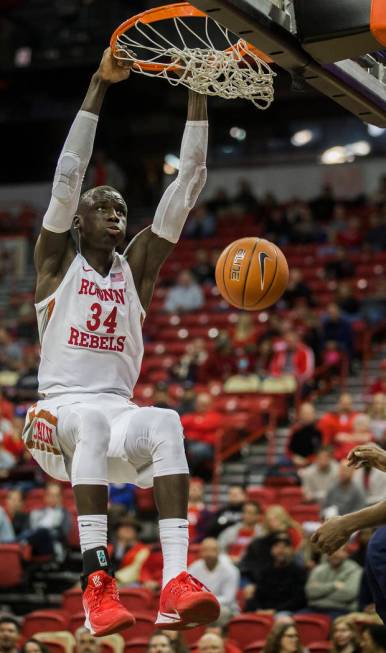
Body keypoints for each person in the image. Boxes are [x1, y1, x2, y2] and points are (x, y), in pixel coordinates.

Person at [21, 48, 219, 636]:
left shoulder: (138, 269)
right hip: (54, 417)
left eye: (120, 207)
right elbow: (66, 177)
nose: (113, 212)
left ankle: (174, 585)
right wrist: (98, 86)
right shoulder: (56, 263)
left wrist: (198, 87)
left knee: (164, 421)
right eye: (100, 206)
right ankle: (97, 583)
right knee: (95, 423)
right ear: (78, 222)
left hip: (110, 419)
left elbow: (191, 181)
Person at [245, 532, 307, 613]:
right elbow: (258, 596)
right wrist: (259, 609)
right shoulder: (265, 571)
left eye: (285, 546)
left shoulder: (298, 572)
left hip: (287, 612)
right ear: (271, 550)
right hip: (263, 612)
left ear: (292, 550)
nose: (280, 550)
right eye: (276, 546)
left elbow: (299, 600)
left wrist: (275, 610)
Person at [188, 538, 240, 622]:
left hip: (224, 607)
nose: (209, 554)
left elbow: (228, 598)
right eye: (205, 550)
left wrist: (206, 602)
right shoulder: (193, 568)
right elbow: (189, 592)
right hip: (199, 606)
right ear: (200, 552)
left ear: (219, 552)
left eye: (212, 550)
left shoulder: (231, 570)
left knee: (222, 612)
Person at [305, 547, 362, 617]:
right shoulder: (318, 569)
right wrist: (334, 585)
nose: (334, 554)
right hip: (314, 609)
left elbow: (349, 594)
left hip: (341, 610)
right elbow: (310, 592)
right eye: (331, 551)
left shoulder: (355, 570)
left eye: (338, 551)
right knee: (294, 621)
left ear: (346, 553)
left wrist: (320, 591)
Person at [181, 393, 223, 478]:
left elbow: (206, 425)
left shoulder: (216, 416)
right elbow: (180, 423)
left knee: (196, 450)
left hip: (208, 447)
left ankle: (187, 475)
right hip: (189, 443)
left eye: (204, 404)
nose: (201, 406)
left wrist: (193, 432)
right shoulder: (190, 416)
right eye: (199, 404)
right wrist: (200, 432)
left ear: (210, 405)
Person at [111, 516, 150, 585]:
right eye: (123, 526)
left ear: (136, 532)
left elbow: (138, 569)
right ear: (117, 531)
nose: (127, 529)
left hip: (131, 582)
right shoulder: (109, 548)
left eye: (131, 527)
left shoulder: (144, 549)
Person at [286, 402, 323, 467]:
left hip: (314, 463)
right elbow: (288, 449)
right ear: (300, 415)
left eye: (309, 413)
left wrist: (308, 461)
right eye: (305, 413)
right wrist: (293, 457)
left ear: (314, 414)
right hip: (295, 461)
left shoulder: (319, 430)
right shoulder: (295, 430)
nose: (307, 416)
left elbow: (322, 451)